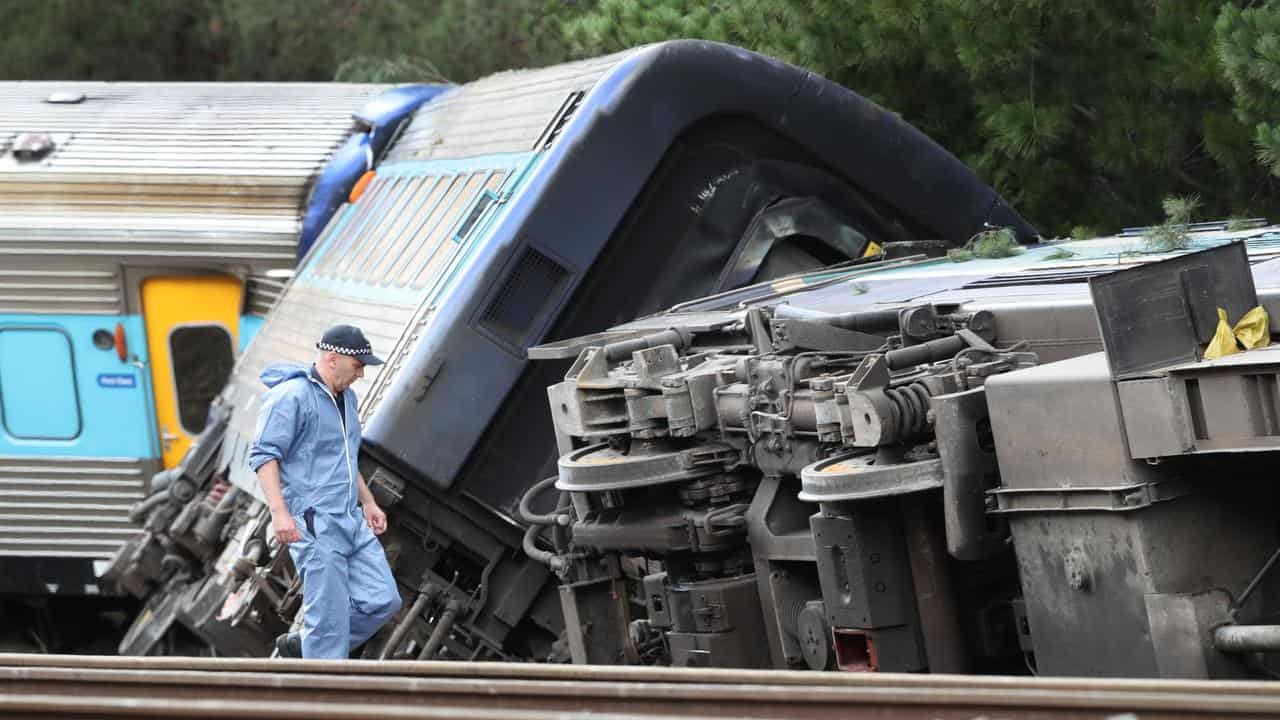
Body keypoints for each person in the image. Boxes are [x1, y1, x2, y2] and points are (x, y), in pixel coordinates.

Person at [248, 324, 402, 659]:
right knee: (328, 618)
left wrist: (369, 502)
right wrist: (279, 513)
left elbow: (345, 457)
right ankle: (320, 689)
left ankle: (309, 647)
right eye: (358, 366)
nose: (361, 375)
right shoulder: (290, 397)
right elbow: (264, 456)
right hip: (313, 522)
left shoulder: (347, 398)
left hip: (349, 518)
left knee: (383, 600)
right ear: (333, 358)